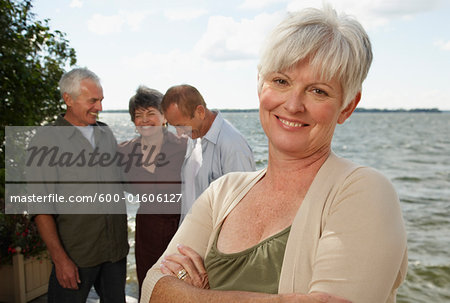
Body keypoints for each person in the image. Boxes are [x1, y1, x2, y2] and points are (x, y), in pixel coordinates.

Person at [140, 6, 408, 303]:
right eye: (281, 81)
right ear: (260, 84)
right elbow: (153, 288)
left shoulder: (364, 191)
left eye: (318, 90)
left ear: (347, 106)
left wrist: (192, 295)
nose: (293, 105)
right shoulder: (222, 193)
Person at [30, 68, 129, 302]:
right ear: (68, 99)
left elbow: (121, 181)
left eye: (101, 100)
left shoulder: (105, 133)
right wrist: (60, 259)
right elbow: (40, 207)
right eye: (92, 101)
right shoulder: (46, 141)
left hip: (115, 252)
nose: (100, 107)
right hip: (76, 255)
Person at [117, 86, 186, 298]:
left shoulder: (185, 146)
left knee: (184, 288)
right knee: (149, 287)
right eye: (138, 115)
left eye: (150, 113)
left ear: (164, 116)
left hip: (182, 228)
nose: (145, 120)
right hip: (148, 228)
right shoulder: (124, 152)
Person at [161, 84, 256, 222]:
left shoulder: (233, 145)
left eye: (181, 126)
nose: (179, 133)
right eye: (174, 126)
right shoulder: (194, 137)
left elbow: (244, 208)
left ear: (200, 112)